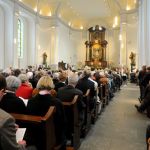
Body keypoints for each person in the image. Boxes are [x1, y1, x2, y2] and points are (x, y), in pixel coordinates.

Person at [26, 75, 66, 150]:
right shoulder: (56, 102)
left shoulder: (31, 101)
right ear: (51, 86)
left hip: (35, 137)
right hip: (52, 137)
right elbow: (62, 122)